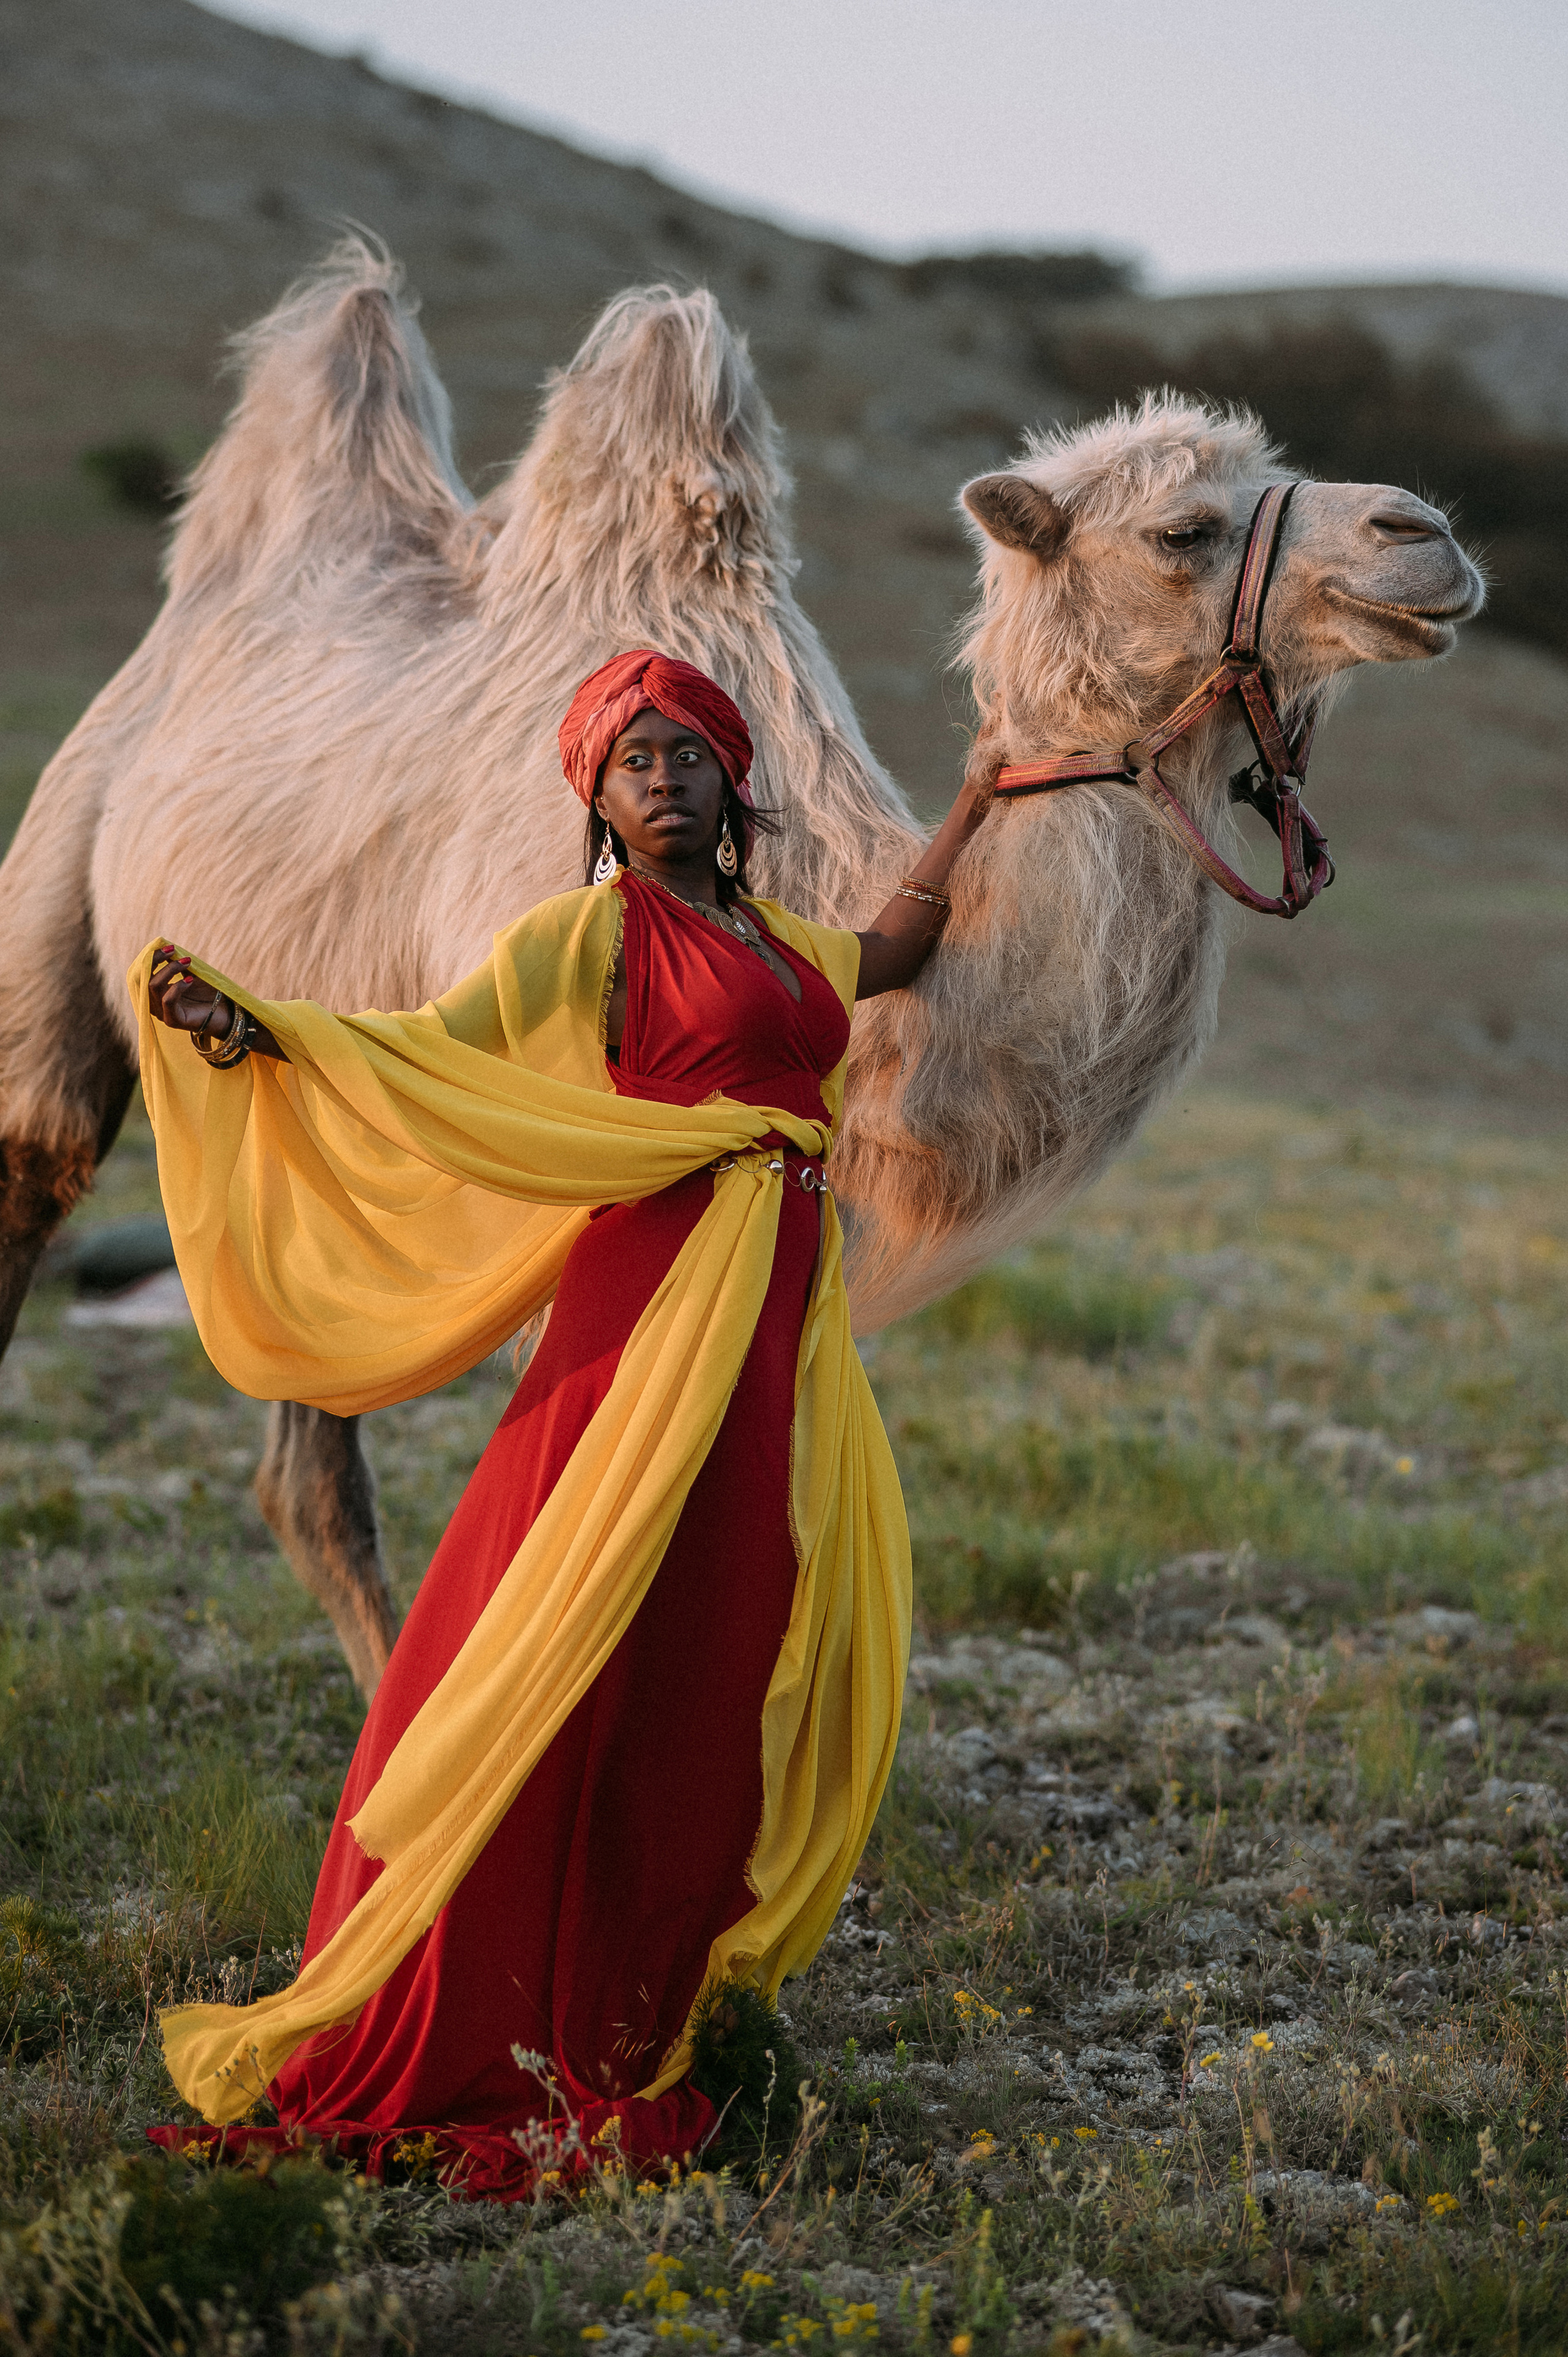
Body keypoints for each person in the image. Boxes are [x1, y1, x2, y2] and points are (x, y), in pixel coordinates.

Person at [137, 651, 989, 2198]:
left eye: (684, 754)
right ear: (596, 799)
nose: (660, 779)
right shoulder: (590, 935)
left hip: (771, 1324)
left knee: (712, 1631)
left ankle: (640, 1991)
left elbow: (890, 953)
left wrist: (981, 798)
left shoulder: (771, 939)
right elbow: (432, 1042)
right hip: (651, 1305)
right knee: (567, 1613)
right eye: (628, 763)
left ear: (731, 777)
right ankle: (473, 1999)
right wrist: (253, 1029)